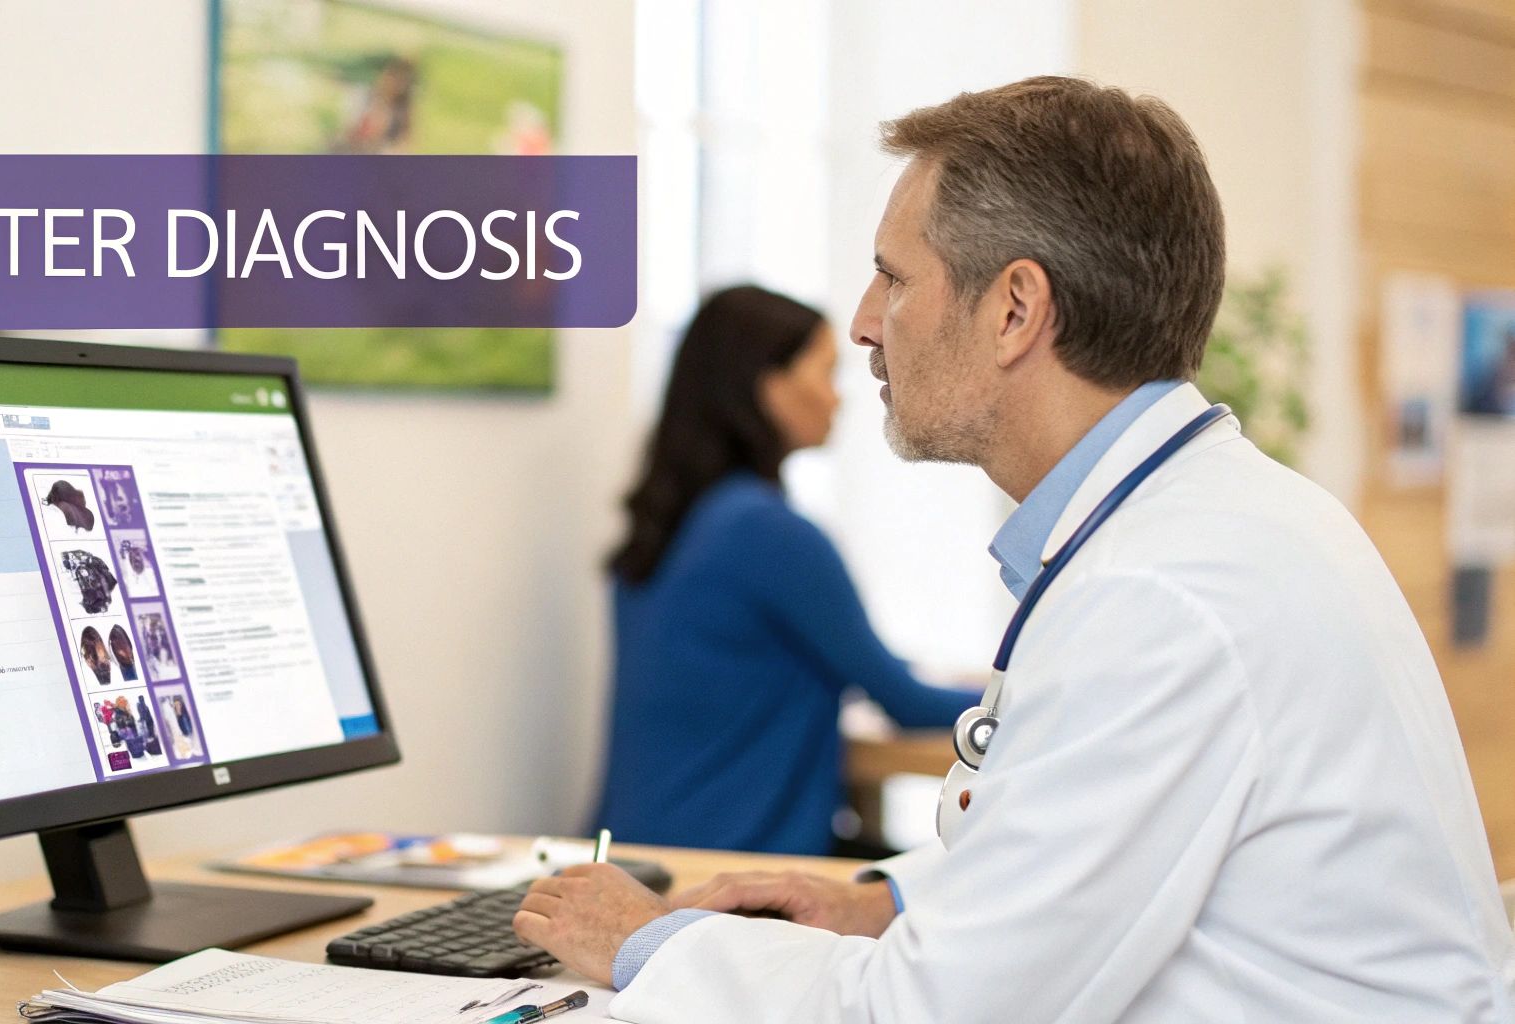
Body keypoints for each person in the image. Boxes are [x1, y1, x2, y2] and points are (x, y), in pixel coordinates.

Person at [515, 77, 1515, 1020]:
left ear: (1013, 308)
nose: (866, 325)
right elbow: (1075, 851)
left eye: (891, 278)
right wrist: (884, 900)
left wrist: (653, 944)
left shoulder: (1162, 591)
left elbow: (931, 1011)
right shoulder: (1215, 523)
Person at [595, 284, 979, 856]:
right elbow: (905, 704)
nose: (837, 399)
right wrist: (1024, 701)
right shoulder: (766, 532)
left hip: (636, 850)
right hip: (732, 861)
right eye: (825, 374)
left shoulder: (676, 521)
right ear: (769, 386)